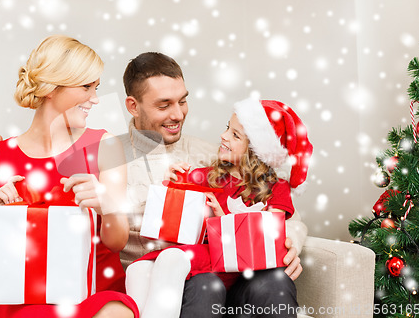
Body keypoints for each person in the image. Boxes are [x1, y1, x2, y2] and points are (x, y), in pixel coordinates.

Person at [0, 52, 307, 317]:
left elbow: (270, 199)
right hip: (165, 282)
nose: (178, 114)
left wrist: (290, 237)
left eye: (183, 100)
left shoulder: (213, 156)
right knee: (205, 288)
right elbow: (47, 185)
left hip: (222, 268)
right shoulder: (104, 152)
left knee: (274, 282)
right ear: (132, 106)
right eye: (164, 105)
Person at [0, 35, 138, 318]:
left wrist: (107, 205)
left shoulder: (105, 146)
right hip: (23, 297)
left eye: (96, 87)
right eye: (86, 87)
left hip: (91, 294)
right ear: (51, 88)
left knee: (117, 312)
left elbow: (117, 242)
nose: (95, 99)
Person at [125, 97, 312, 318]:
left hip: (247, 281)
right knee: (198, 283)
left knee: (274, 281)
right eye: (227, 128)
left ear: (255, 151)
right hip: (207, 275)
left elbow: (269, 240)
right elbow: (172, 221)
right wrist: (170, 183)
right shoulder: (203, 176)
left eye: (235, 135)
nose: (223, 136)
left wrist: (221, 218)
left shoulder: (277, 188)